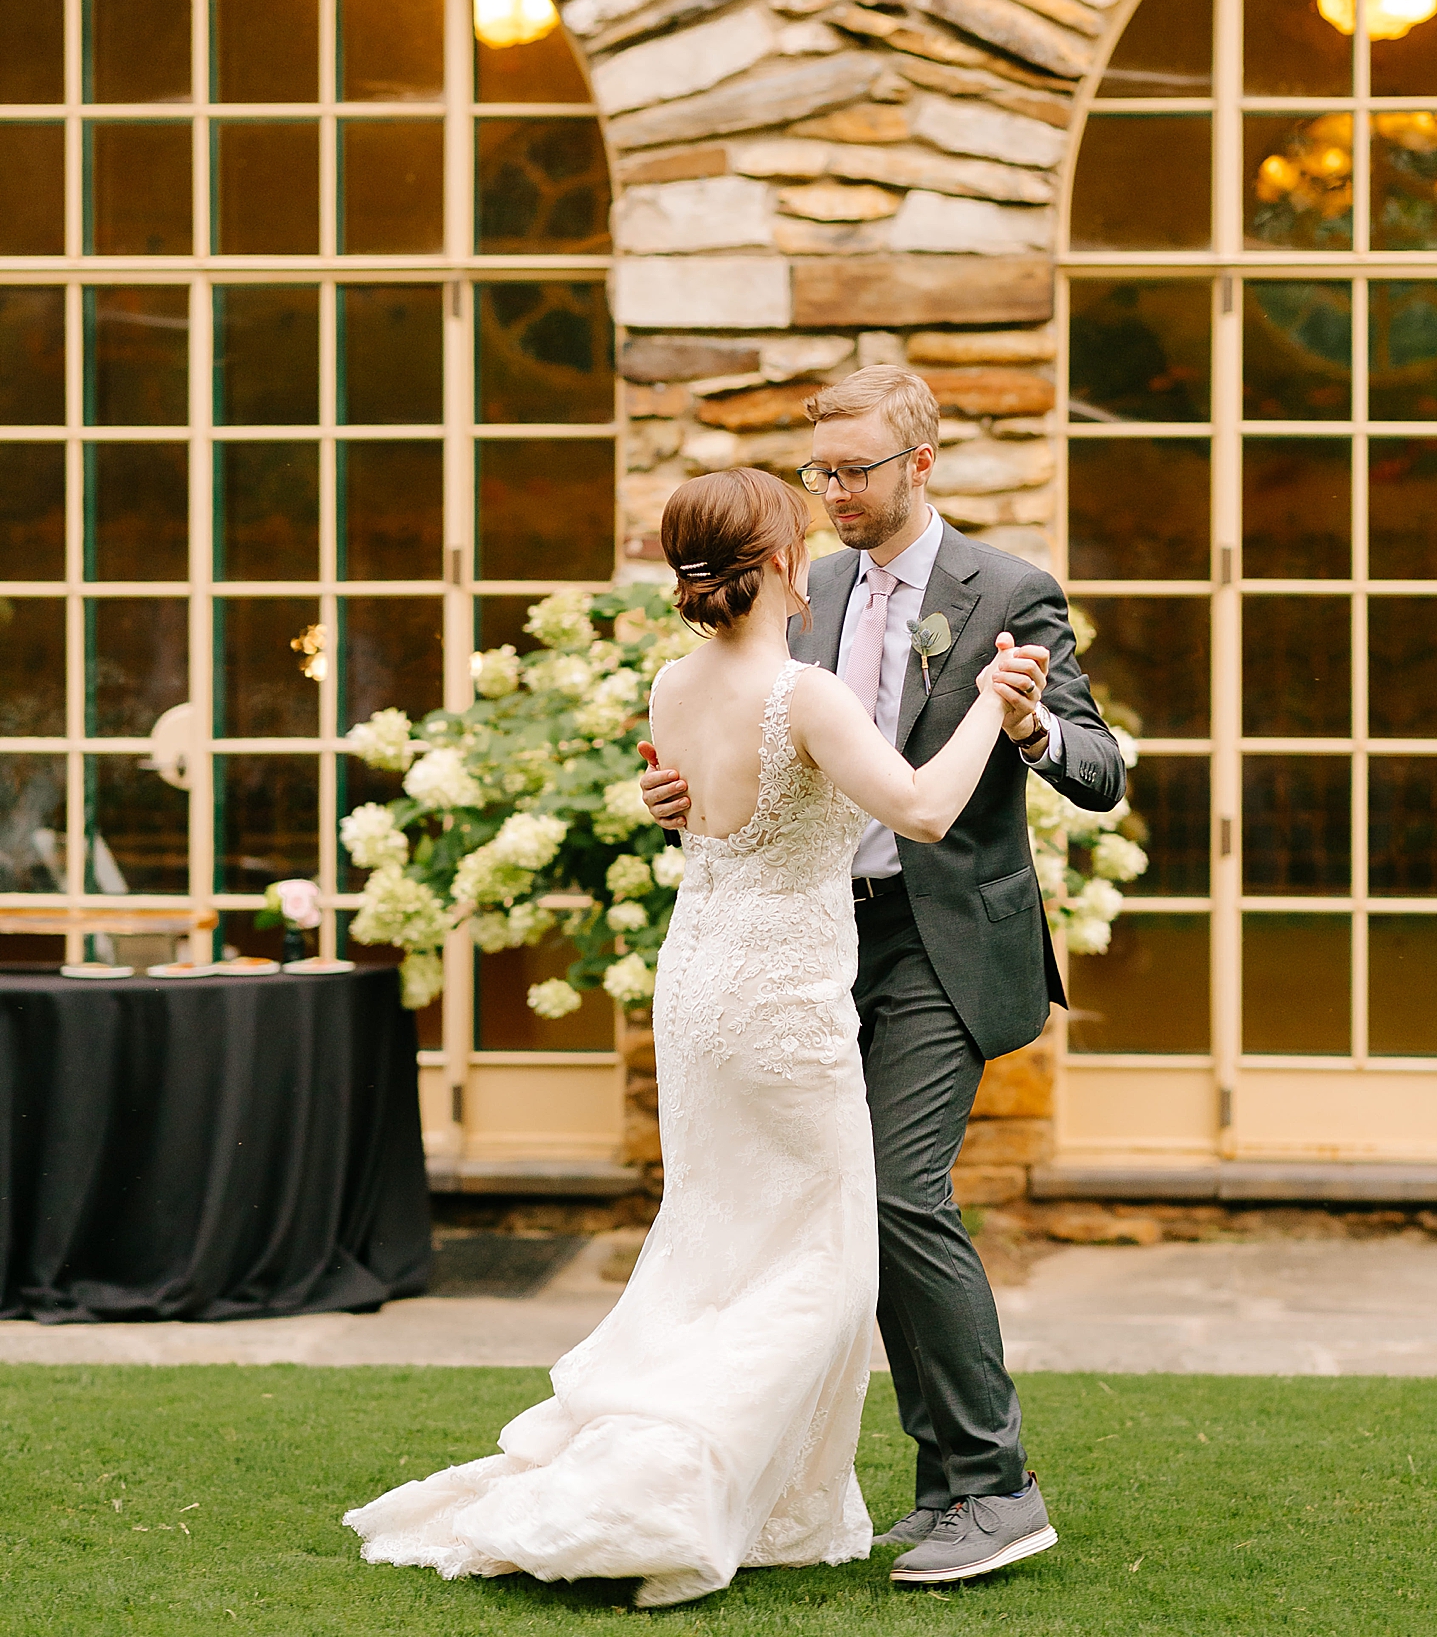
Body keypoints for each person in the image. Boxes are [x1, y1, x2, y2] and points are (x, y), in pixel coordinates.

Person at [345, 465, 1046, 1609]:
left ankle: (740, 1476)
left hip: (700, 984)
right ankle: (682, 1482)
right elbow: (918, 808)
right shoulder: (806, 693)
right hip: (779, 999)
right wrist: (991, 700)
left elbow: (687, 808)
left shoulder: (672, 683)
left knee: (719, 1236)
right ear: (777, 565)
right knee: (816, 1259)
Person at [640, 367, 1126, 1587]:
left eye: (854, 470)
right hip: (808, 940)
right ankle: (942, 1483)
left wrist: (1023, 730)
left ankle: (997, 1486)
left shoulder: (1007, 590)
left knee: (900, 1191)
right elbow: (771, 753)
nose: (834, 494)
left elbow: (1098, 766)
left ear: (920, 464)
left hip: (939, 941)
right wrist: (677, 804)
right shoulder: (805, 591)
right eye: (820, 473)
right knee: (846, 1205)